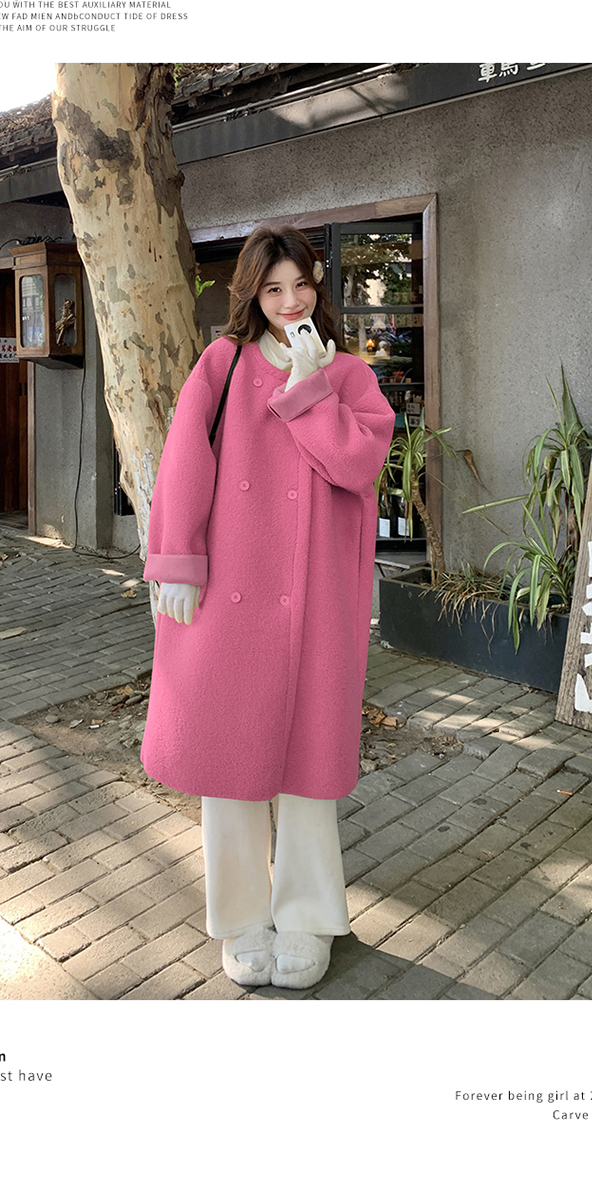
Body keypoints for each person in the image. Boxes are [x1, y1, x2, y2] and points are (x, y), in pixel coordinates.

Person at [140, 226, 395, 990]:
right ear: (251, 292)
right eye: (273, 287)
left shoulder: (347, 373)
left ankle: (310, 916)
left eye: (301, 285)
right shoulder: (221, 364)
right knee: (231, 763)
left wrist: (311, 389)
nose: (290, 301)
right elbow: (183, 462)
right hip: (230, 592)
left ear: (318, 286)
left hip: (318, 597)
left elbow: (358, 464)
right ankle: (242, 918)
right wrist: (176, 561)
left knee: (309, 767)